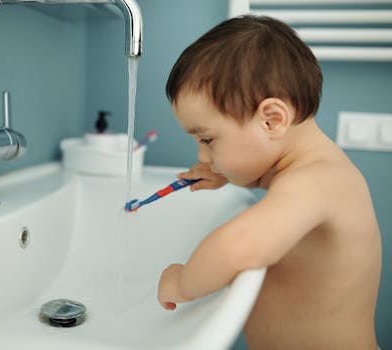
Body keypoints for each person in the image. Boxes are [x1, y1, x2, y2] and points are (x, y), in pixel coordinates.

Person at [157, 15, 381, 349]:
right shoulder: (304, 173)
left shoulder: (320, 179)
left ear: (272, 120)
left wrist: (182, 282)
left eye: (207, 140)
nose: (203, 157)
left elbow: (239, 246)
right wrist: (227, 176)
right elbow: (276, 185)